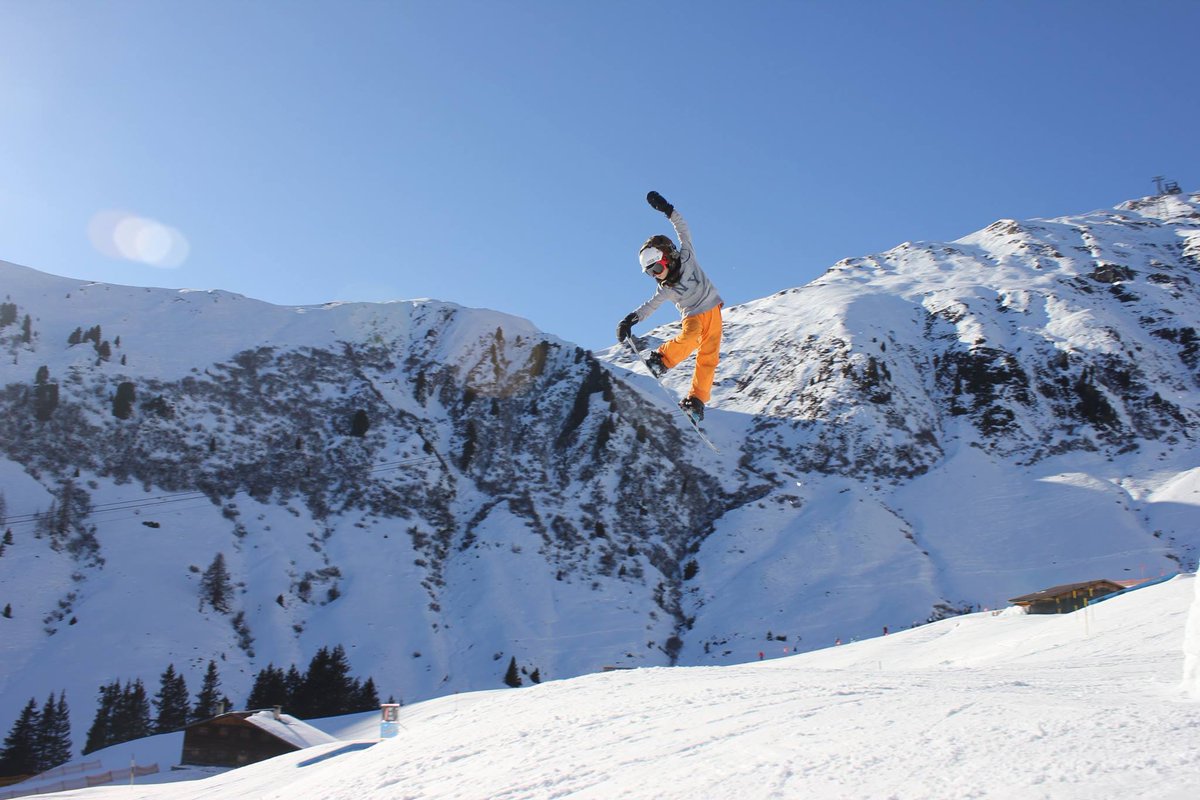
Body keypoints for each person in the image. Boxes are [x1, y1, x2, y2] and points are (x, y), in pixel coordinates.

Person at [616, 191, 724, 421]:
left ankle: (696, 400)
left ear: (667, 256)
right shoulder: (667, 287)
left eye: (655, 268)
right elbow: (650, 306)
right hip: (694, 315)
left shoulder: (686, 257)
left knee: (709, 358)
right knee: (691, 336)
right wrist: (630, 320)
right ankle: (661, 361)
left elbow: (683, 229)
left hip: (713, 311)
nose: (656, 275)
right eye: (650, 273)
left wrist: (667, 209)